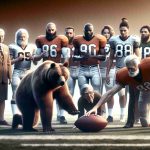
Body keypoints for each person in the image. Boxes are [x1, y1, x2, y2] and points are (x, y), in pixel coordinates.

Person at [86, 55, 150, 127]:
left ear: (138, 65)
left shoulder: (147, 65)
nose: (130, 71)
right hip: (146, 94)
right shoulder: (124, 75)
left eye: (132, 68)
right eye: (128, 68)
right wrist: (95, 107)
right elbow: (110, 93)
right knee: (144, 122)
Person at [106, 18, 141, 123]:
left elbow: (138, 56)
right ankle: (122, 114)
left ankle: (134, 116)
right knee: (121, 94)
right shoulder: (114, 40)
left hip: (130, 70)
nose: (123, 32)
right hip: (119, 69)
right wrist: (107, 72)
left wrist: (138, 69)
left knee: (133, 94)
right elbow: (111, 58)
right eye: (121, 30)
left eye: (125, 30)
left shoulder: (134, 39)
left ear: (128, 30)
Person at [34, 22, 69, 124]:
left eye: (52, 30)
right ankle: (45, 116)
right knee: (44, 94)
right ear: (46, 30)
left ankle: (61, 115)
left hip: (57, 71)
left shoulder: (61, 40)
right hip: (45, 71)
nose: (50, 32)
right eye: (49, 30)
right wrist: (41, 55)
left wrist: (64, 63)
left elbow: (66, 56)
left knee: (61, 93)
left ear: (56, 30)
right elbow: (35, 59)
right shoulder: (40, 40)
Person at [73, 23, 107, 115]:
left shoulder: (99, 39)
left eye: (90, 30)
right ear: (83, 30)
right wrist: (81, 58)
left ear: (93, 30)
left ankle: (99, 113)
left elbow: (103, 57)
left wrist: (92, 55)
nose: (88, 32)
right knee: (83, 92)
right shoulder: (77, 40)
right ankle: (83, 114)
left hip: (95, 68)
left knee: (96, 93)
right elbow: (74, 57)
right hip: (82, 68)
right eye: (86, 30)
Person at [9, 28, 37, 117]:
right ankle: (15, 114)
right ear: (16, 37)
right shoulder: (12, 47)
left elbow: (35, 62)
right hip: (17, 71)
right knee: (15, 91)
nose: (22, 38)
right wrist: (17, 59)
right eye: (20, 36)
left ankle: (27, 113)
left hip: (28, 72)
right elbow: (8, 62)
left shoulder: (32, 47)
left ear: (27, 37)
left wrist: (33, 58)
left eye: (24, 36)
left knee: (29, 92)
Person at [100, 25, 115, 122]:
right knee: (99, 93)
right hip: (99, 68)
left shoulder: (114, 43)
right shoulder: (99, 42)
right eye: (104, 32)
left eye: (108, 32)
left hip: (110, 69)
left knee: (109, 93)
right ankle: (102, 113)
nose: (106, 34)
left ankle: (110, 114)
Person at [0, 28, 12, 126]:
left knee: (2, 99)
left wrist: (10, 76)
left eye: (2, 36)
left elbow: (8, 63)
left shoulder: (6, 47)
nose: (1, 38)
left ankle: (1, 118)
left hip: (3, 78)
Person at [64, 26, 79, 96]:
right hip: (68, 69)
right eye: (67, 33)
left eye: (70, 33)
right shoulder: (62, 44)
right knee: (69, 92)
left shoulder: (78, 43)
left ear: (74, 34)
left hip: (79, 69)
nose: (69, 35)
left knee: (83, 90)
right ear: (64, 33)